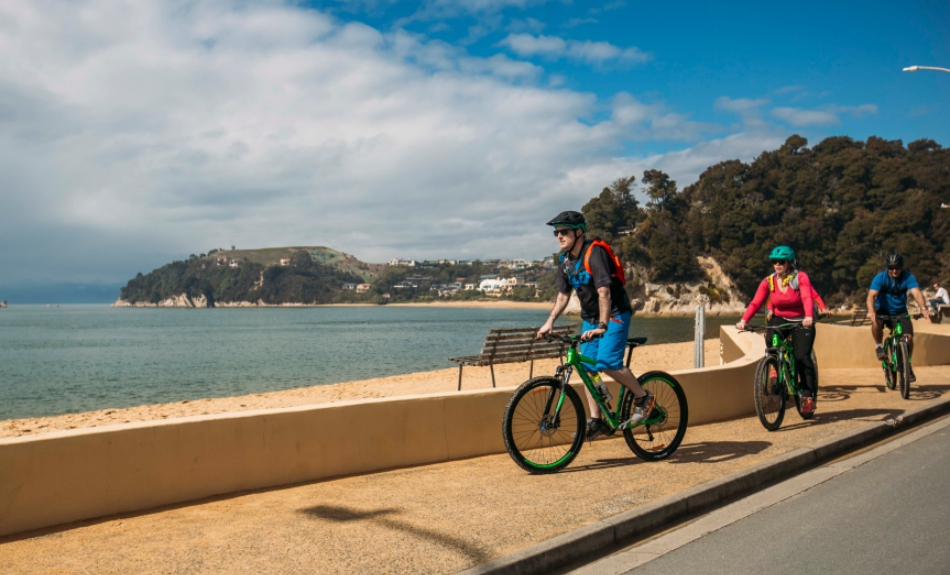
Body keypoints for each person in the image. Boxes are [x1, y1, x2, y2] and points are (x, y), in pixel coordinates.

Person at [537, 210, 654, 440]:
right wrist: (549, 322)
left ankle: (643, 397)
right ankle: (596, 421)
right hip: (590, 319)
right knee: (588, 369)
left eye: (564, 232)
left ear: (579, 232)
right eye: (556, 232)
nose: (559, 236)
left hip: (615, 314)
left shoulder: (594, 252)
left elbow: (604, 291)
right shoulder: (564, 262)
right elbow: (562, 297)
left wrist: (603, 324)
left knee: (607, 363)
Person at [735, 246, 819, 415]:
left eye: (781, 261)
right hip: (780, 318)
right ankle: (775, 363)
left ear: (789, 263)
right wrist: (744, 320)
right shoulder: (769, 281)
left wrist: (809, 316)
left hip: (801, 319)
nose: (778, 264)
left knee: (802, 356)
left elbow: (807, 297)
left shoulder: (799, 277)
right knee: (771, 340)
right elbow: (756, 302)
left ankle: (808, 396)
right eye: (775, 261)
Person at [867, 253, 931, 382]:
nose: (894, 270)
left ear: (902, 267)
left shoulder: (908, 277)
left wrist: (923, 308)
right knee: (876, 322)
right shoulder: (880, 278)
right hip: (882, 309)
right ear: (887, 268)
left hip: (900, 311)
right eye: (891, 268)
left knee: (909, 338)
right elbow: (871, 296)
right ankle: (879, 346)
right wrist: (871, 310)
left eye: (897, 267)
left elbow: (917, 293)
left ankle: (907, 365)